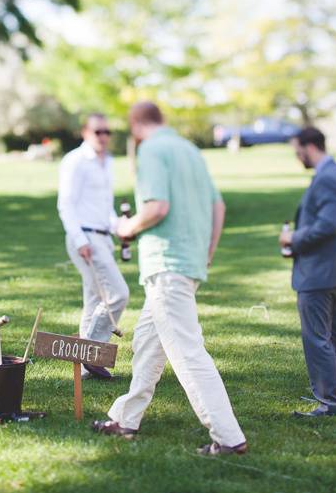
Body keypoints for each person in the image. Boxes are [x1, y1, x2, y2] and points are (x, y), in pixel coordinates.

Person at [92, 101, 248, 457]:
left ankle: (228, 437)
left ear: (135, 126)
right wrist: (207, 252)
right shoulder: (189, 149)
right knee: (148, 342)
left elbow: (156, 207)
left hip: (166, 266)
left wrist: (125, 228)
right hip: (188, 262)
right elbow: (217, 205)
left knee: (187, 350)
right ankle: (125, 419)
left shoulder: (151, 150)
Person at [279, 127, 336, 417]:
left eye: (297, 150)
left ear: (309, 146)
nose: (296, 156)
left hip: (320, 270)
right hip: (335, 269)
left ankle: (330, 403)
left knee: (317, 336)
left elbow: (328, 225)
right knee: (335, 334)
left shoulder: (327, 178)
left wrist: (293, 239)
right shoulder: (334, 172)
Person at [57, 113, 130, 379]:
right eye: (98, 131)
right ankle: (93, 352)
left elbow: (104, 207)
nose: (103, 136)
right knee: (118, 294)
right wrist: (80, 240)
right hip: (85, 237)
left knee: (94, 298)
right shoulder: (75, 161)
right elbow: (65, 204)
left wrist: (119, 227)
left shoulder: (107, 162)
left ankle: (85, 367)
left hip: (102, 236)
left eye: (107, 132)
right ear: (85, 132)